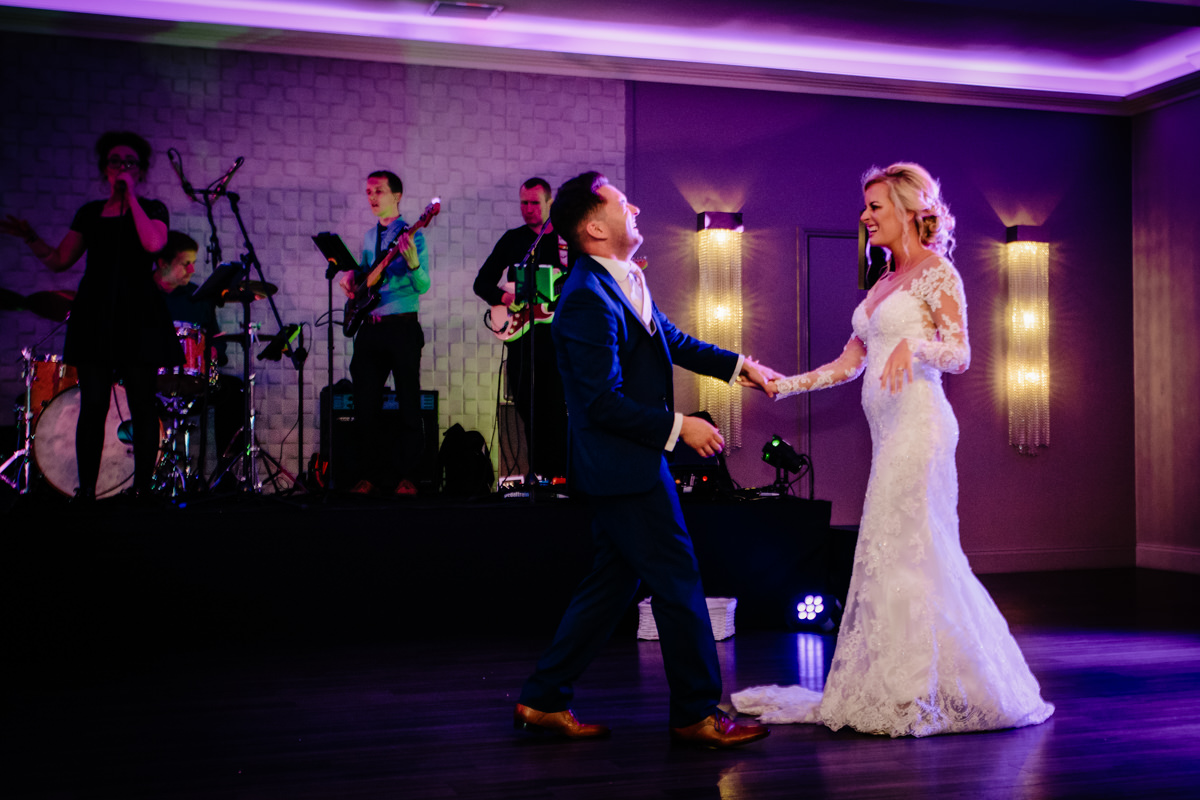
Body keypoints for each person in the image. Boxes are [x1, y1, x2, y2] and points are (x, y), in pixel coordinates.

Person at [731, 163, 1054, 737]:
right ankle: (905, 683)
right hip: (889, 432)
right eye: (865, 207)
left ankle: (921, 690)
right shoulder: (882, 283)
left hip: (922, 427)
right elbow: (847, 365)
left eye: (875, 207)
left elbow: (960, 354)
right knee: (893, 550)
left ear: (909, 210)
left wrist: (916, 346)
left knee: (907, 548)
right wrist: (781, 384)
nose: (865, 217)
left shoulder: (939, 274)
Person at [514, 171, 782, 749]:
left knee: (610, 585)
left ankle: (542, 699)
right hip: (621, 466)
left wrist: (741, 368)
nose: (633, 205)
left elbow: (673, 342)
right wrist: (680, 426)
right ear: (593, 226)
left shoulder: (623, 280)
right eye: (619, 200)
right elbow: (600, 403)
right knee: (679, 579)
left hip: (629, 463)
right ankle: (695, 713)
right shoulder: (585, 298)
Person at [2, 131, 182, 501]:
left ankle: (143, 491)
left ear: (142, 171)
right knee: (94, 402)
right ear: (104, 168)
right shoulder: (88, 213)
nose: (122, 167)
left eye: (130, 162)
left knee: (142, 402)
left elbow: (153, 244)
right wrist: (30, 237)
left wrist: (129, 196)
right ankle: (86, 491)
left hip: (140, 312)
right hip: (96, 311)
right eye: (115, 161)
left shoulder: (154, 208)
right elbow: (59, 261)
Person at [338, 170, 430, 496]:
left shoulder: (412, 235)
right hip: (371, 329)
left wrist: (415, 263)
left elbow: (423, 286)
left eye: (378, 191)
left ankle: (409, 477)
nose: (372, 197)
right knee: (365, 407)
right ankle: (369, 476)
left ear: (397, 196)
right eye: (368, 192)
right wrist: (353, 283)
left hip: (402, 327)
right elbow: (366, 286)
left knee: (408, 405)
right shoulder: (367, 237)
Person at [473, 177, 569, 481]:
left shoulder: (568, 242)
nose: (527, 209)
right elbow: (482, 282)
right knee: (528, 412)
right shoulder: (513, 240)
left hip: (556, 343)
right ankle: (539, 476)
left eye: (534, 203)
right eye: (523, 203)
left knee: (556, 411)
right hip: (520, 342)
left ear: (549, 204)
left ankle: (561, 477)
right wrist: (504, 297)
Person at [152, 230, 245, 461]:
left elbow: (216, 340)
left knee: (235, 390)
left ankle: (226, 475)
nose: (192, 271)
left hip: (193, 381)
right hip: (149, 383)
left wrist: (214, 350)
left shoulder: (198, 296)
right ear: (162, 263)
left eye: (193, 263)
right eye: (185, 264)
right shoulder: (139, 296)